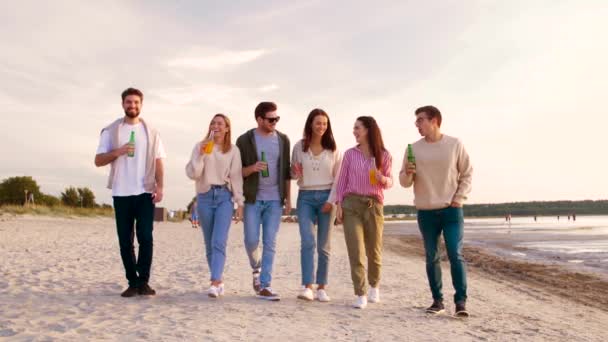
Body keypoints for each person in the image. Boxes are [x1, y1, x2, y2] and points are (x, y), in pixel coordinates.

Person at [400, 105, 473, 317]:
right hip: (426, 211)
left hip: (451, 210)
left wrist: (459, 198)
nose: (417, 124)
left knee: (455, 253)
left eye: (420, 120)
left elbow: (467, 174)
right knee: (431, 256)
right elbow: (404, 182)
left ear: (435, 121)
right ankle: (437, 301)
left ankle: (460, 302)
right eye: (416, 121)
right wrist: (408, 173)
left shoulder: (454, 144)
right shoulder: (412, 148)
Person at [94, 88, 166, 297]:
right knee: (125, 240)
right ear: (122, 104)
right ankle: (132, 282)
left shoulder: (151, 132)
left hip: (145, 191)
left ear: (141, 105)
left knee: (145, 237)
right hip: (121, 192)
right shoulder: (111, 131)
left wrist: (160, 186)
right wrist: (119, 151)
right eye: (128, 102)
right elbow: (98, 160)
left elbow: (159, 161)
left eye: (136, 102)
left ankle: (143, 281)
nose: (132, 106)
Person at [335, 116, 393, 309]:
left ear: (368, 130)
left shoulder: (384, 155)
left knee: (373, 251)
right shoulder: (350, 154)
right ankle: (360, 293)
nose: (354, 131)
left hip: (374, 205)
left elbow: (390, 182)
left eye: (357, 128)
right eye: (354, 128)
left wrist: (382, 178)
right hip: (351, 204)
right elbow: (341, 182)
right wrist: (339, 206)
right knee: (356, 251)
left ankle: (374, 285)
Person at [236, 102, 291, 301]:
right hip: (252, 199)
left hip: (275, 200)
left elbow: (286, 172)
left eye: (277, 118)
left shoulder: (284, 140)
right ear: (259, 119)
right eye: (270, 119)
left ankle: (265, 285)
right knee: (251, 241)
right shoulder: (244, 140)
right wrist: (252, 168)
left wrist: (288, 199)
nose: (274, 122)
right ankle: (256, 269)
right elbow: (236, 172)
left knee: (270, 243)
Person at [186, 113, 244, 298]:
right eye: (213, 123)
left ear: (227, 128)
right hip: (204, 196)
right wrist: (202, 155)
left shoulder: (233, 150)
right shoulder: (200, 146)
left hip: (224, 198)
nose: (216, 126)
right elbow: (194, 174)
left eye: (220, 123)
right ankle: (218, 280)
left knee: (219, 241)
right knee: (209, 243)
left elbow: (236, 177)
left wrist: (239, 202)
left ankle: (215, 281)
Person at [291, 109, 341, 302]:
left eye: (325, 124)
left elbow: (338, 179)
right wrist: (295, 171)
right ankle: (307, 287)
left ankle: (321, 287)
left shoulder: (333, 148)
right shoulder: (299, 146)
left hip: (327, 196)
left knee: (323, 245)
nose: (321, 127)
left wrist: (331, 200)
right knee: (307, 241)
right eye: (318, 123)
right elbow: (295, 174)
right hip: (305, 197)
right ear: (310, 123)